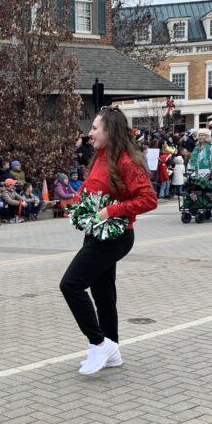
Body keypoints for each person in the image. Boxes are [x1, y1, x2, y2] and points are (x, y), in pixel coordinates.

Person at [59, 108, 157, 375]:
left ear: (109, 131)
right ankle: (112, 351)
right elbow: (92, 188)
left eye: (94, 128)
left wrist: (110, 211)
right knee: (103, 294)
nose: (89, 133)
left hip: (115, 236)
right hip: (98, 233)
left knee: (71, 285)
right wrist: (76, 201)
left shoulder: (126, 161)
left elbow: (149, 199)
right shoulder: (101, 156)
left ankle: (98, 343)